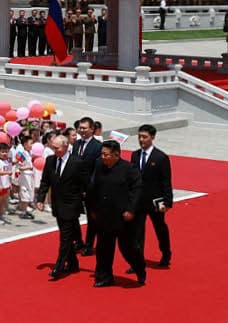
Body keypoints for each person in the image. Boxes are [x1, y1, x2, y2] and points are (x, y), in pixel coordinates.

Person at [91, 140, 146, 287]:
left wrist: (130, 210)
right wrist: (93, 209)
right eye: (102, 154)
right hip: (104, 215)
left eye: (106, 154)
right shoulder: (99, 166)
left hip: (123, 217)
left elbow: (136, 191)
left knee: (128, 248)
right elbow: (94, 188)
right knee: (103, 248)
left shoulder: (129, 169)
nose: (103, 157)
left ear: (116, 155)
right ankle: (104, 276)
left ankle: (140, 269)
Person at [35, 135, 85, 279]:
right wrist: (40, 199)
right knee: (66, 236)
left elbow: (84, 184)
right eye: (53, 147)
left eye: (57, 148)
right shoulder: (50, 161)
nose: (54, 150)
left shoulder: (77, 162)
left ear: (65, 146)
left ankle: (59, 265)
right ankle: (73, 263)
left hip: (71, 205)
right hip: (57, 205)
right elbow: (45, 182)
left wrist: (81, 200)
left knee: (65, 237)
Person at [131, 124, 173, 268]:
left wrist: (167, 202)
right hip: (138, 201)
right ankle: (137, 261)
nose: (141, 140)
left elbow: (166, 181)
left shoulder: (160, 157)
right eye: (139, 137)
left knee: (160, 228)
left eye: (144, 137)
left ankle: (166, 254)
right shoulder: (135, 155)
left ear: (152, 137)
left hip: (156, 202)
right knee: (137, 232)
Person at [73, 117, 102, 255]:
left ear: (92, 129)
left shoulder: (98, 146)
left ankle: (89, 245)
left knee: (92, 219)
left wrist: (87, 189)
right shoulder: (76, 144)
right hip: (75, 188)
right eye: (80, 128)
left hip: (90, 189)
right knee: (72, 216)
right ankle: (78, 242)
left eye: (85, 128)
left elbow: (97, 171)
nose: (82, 131)